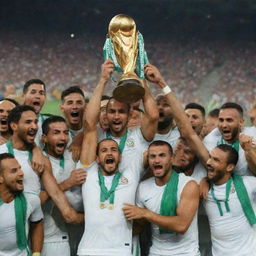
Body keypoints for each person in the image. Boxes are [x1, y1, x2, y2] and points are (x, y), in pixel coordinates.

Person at [0, 105, 83, 224]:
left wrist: (93, 219)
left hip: (33, 226)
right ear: (14, 126)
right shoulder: (1, 152)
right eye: (28, 122)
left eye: (35, 122)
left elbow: (56, 194)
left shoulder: (41, 160)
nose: (34, 126)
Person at [77, 104, 142, 255]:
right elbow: (89, 124)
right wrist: (103, 81)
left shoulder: (131, 174)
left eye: (114, 150)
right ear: (97, 158)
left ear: (120, 157)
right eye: (104, 150)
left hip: (121, 251)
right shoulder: (88, 172)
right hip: (88, 250)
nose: (109, 153)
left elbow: (152, 119)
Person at [123, 140, 200, 256]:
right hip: (156, 252)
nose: (156, 160)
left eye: (162, 155)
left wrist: (146, 213)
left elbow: (181, 225)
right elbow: (140, 226)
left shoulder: (188, 185)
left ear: (171, 158)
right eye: (152, 156)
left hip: (186, 253)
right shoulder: (143, 187)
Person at [85, 59, 158, 175]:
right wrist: (103, 80)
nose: (116, 116)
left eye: (121, 112)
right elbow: (88, 121)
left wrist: (140, 80)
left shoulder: (140, 135)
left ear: (129, 115)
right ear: (106, 114)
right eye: (112, 111)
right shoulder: (98, 136)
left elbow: (153, 116)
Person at [41, 115, 86, 256]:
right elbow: (35, 200)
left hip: (79, 235)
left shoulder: (73, 155)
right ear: (44, 138)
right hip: (50, 238)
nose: (63, 137)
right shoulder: (37, 162)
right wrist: (68, 183)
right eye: (56, 133)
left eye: (65, 133)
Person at [204, 144, 256, 255]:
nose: (208, 162)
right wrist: (203, 181)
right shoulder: (202, 191)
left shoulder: (247, 184)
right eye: (210, 157)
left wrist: (250, 151)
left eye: (216, 160)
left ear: (230, 167)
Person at [0, 153, 44, 256]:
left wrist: (36, 253)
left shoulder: (32, 200)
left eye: (20, 168)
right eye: (14, 171)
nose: (21, 173)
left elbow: (37, 224)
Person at [22, 79, 48, 147]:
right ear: (23, 96)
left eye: (41, 93)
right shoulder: (9, 120)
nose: (37, 96)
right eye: (33, 92)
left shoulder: (49, 123)